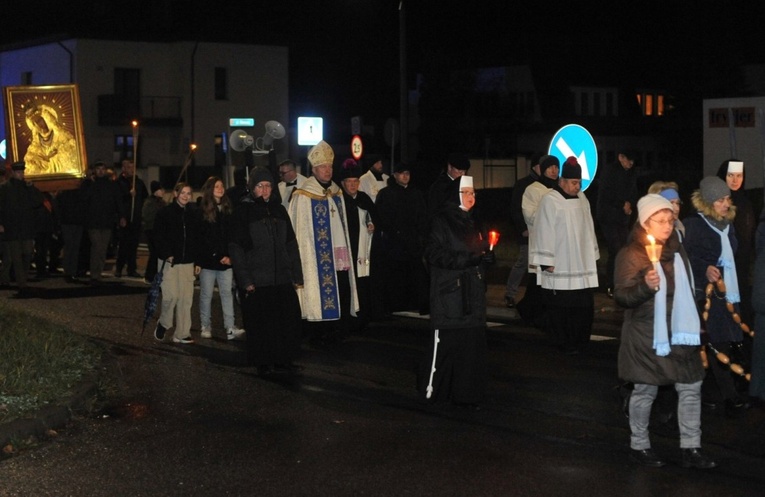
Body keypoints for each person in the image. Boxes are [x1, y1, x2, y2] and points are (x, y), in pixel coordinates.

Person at [614, 194, 716, 469]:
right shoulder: (632, 254)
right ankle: (639, 444)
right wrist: (646, 285)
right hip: (648, 335)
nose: (667, 226)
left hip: (680, 333)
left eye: (670, 220)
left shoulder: (677, 250)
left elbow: (687, 287)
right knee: (645, 389)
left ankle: (691, 448)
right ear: (646, 223)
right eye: (660, 221)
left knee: (691, 386)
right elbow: (623, 296)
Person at [419, 175, 494, 409]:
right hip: (450, 294)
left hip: (473, 293)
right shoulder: (441, 221)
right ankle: (435, 392)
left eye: (473, 193)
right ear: (456, 195)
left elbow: (478, 252)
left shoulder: (475, 220)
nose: (472, 197)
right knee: (447, 346)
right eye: (467, 193)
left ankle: (467, 393)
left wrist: (487, 257)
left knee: (470, 347)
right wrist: (469, 259)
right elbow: (433, 254)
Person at [683, 176, 748, 415]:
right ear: (709, 201)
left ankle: (708, 393)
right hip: (709, 296)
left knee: (721, 344)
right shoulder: (695, 225)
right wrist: (704, 268)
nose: (726, 203)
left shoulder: (728, 224)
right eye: (720, 199)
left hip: (729, 292)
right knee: (717, 344)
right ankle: (730, 397)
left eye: (727, 198)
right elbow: (687, 256)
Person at [229, 166, 304, 376]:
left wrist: (296, 273)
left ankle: (284, 358)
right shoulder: (243, 212)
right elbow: (236, 248)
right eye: (260, 186)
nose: (265, 190)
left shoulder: (279, 210)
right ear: (252, 188)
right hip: (258, 280)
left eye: (268, 185)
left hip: (281, 277)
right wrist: (246, 280)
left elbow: (291, 244)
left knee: (285, 321)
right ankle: (263, 361)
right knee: (262, 325)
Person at [289, 140, 359, 345]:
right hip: (315, 256)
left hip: (338, 252)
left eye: (329, 167)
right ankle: (317, 330)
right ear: (314, 169)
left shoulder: (337, 191)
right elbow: (299, 230)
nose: (328, 171)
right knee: (317, 288)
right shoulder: (303, 195)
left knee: (342, 286)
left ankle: (338, 326)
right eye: (323, 167)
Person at [529, 157, 599, 354]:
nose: (578, 187)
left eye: (579, 183)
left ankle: (581, 341)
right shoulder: (550, 200)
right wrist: (546, 260)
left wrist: (592, 252)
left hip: (580, 264)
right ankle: (564, 342)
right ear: (562, 181)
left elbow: (589, 227)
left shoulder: (582, 199)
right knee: (562, 307)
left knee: (583, 306)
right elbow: (544, 230)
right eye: (574, 183)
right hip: (561, 262)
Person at [504, 154, 557, 308]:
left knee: (538, 268)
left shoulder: (553, 186)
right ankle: (510, 293)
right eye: (546, 167)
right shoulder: (524, 185)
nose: (552, 171)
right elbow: (516, 209)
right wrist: (523, 229)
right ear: (535, 167)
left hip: (545, 236)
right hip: (528, 233)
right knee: (524, 263)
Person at [375, 162, 428, 314]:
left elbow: (422, 217)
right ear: (395, 175)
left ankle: (415, 303)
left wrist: (420, 236)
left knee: (415, 274)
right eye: (402, 173)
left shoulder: (416, 193)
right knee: (396, 276)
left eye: (408, 173)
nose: (405, 177)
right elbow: (382, 217)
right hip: (395, 244)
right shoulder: (386, 194)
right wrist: (394, 232)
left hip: (413, 243)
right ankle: (396, 304)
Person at [196, 176, 245, 341]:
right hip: (209, 261)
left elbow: (230, 235)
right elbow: (204, 238)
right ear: (210, 189)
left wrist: (230, 256)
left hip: (226, 261)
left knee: (227, 294)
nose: (220, 188)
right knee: (206, 295)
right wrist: (217, 255)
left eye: (222, 186)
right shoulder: (203, 210)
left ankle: (230, 327)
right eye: (216, 186)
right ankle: (205, 325)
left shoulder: (228, 208)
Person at [515, 154, 560, 326]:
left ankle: (538, 313)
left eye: (556, 167)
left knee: (546, 282)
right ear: (542, 169)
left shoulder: (559, 189)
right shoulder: (533, 189)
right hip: (540, 241)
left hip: (556, 242)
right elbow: (530, 215)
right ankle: (530, 312)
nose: (554, 170)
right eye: (550, 167)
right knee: (538, 281)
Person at [153, 183, 200, 344]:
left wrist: (197, 260)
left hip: (187, 262)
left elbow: (196, 239)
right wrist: (167, 253)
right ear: (175, 193)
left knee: (186, 299)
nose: (186, 196)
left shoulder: (194, 214)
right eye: (183, 193)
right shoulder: (164, 213)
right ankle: (164, 323)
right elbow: (158, 236)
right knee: (171, 296)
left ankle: (182, 333)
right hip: (169, 262)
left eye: (189, 193)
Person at [338, 159, 376, 331]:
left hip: (362, 250)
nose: (352, 186)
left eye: (355, 182)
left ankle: (364, 316)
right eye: (349, 182)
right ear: (343, 183)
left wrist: (372, 223)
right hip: (346, 249)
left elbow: (375, 217)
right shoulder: (338, 200)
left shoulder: (364, 198)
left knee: (363, 283)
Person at [716, 159, 755, 324]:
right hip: (723, 265)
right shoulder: (717, 203)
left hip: (743, 266)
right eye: (730, 175)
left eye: (739, 175)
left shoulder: (747, 202)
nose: (735, 180)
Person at [596, 151, 638, 296]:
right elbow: (606, 193)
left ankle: (622, 282)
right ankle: (611, 285)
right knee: (615, 249)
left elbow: (633, 192)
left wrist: (630, 205)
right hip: (608, 217)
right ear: (621, 157)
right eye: (628, 160)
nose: (630, 164)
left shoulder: (631, 172)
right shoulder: (610, 171)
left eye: (632, 161)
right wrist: (622, 204)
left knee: (624, 249)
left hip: (622, 218)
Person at [0, 161, 44, 298]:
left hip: (26, 228)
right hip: (12, 228)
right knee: (16, 257)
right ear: (13, 173)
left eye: (22, 172)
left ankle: (23, 279)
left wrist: (31, 187)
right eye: (18, 172)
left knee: (27, 254)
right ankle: (22, 284)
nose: (21, 174)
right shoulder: (4, 188)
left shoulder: (27, 187)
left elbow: (38, 201)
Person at [80, 161, 126, 285]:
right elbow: (84, 200)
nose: (100, 171)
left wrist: (122, 216)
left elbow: (118, 201)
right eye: (98, 169)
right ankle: (94, 274)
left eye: (102, 169)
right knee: (96, 246)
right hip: (93, 222)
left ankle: (97, 273)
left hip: (107, 222)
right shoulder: (89, 184)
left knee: (103, 248)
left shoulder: (111, 185)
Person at [22, 103, 79, 175]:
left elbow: (71, 148)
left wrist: (53, 157)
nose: (38, 124)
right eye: (35, 122)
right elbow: (30, 160)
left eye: (39, 120)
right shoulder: (36, 143)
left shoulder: (61, 135)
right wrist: (46, 158)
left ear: (46, 119)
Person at [115, 159, 148, 278]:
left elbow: (144, 196)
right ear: (123, 168)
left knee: (134, 245)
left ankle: (131, 268)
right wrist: (128, 195)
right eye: (129, 168)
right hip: (125, 218)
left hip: (136, 217)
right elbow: (118, 200)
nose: (132, 170)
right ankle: (119, 267)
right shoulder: (119, 183)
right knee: (124, 244)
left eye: (133, 168)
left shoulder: (138, 182)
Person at [56, 183, 86, 283]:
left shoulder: (79, 191)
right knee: (70, 246)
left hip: (75, 221)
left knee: (74, 247)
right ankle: (69, 271)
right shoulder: (66, 192)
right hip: (69, 221)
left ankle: (71, 270)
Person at [427, 153, 470, 219]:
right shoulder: (440, 187)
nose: (463, 174)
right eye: (459, 171)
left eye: (464, 171)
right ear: (449, 167)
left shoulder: (464, 185)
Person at [141, 181, 166, 283]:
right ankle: (150, 275)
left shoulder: (161, 202)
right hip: (151, 230)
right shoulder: (149, 202)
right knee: (154, 253)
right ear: (156, 191)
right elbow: (147, 216)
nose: (163, 191)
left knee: (156, 254)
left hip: (158, 231)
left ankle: (153, 274)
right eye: (161, 189)